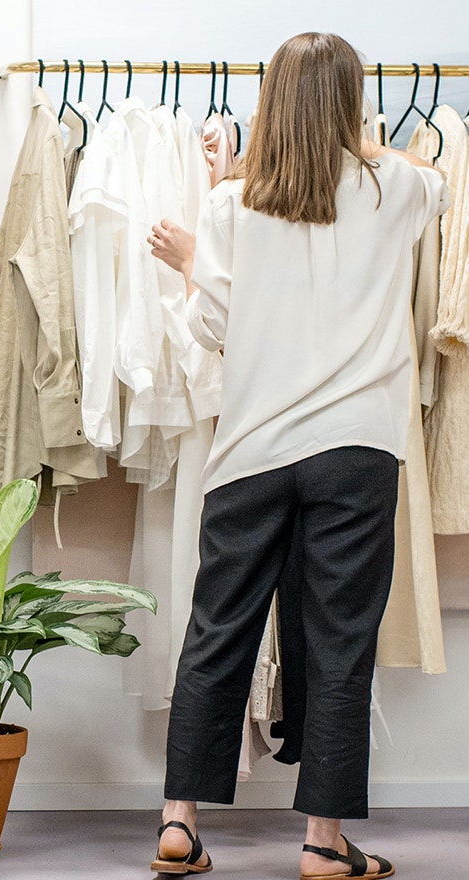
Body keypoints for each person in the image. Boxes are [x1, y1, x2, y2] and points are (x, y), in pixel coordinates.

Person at [147, 32, 448, 879]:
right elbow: (423, 175)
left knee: (218, 631)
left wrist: (199, 259)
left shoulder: (228, 205)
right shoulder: (397, 189)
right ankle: (322, 843)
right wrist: (355, 134)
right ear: (353, 104)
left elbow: (214, 329)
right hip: (357, 450)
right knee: (339, 641)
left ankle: (178, 825)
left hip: (252, 448)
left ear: (268, 102)